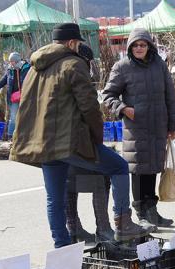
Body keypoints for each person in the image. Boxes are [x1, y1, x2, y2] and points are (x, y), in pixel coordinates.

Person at [10, 23, 150, 247]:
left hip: (44, 144)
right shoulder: (73, 64)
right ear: (72, 43)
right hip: (69, 141)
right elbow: (90, 107)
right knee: (119, 167)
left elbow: (26, 105)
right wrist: (96, 139)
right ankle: (123, 222)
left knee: (54, 198)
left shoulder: (34, 68)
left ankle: (61, 246)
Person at [103, 28, 175, 228]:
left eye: (143, 45)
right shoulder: (122, 67)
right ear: (130, 47)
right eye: (136, 45)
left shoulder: (159, 66)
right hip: (136, 128)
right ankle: (141, 213)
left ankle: (151, 210)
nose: (139, 48)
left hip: (158, 126)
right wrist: (124, 109)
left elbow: (170, 97)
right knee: (138, 170)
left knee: (153, 168)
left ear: (149, 46)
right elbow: (108, 95)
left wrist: (173, 124)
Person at [65, 43, 114, 243]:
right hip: (80, 139)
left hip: (60, 142)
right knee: (102, 177)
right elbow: (90, 110)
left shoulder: (55, 72)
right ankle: (103, 227)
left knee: (68, 183)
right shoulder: (79, 74)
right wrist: (97, 137)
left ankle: (73, 227)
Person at [0, 52, 31, 138]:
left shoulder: (27, 68)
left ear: (17, 61)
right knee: (13, 117)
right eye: (10, 61)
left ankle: (26, 136)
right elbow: (2, 82)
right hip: (14, 98)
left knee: (26, 116)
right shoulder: (10, 70)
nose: (10, 63)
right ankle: (11, 136)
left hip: (26, 97)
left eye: (12, 61)